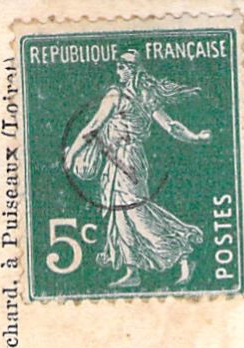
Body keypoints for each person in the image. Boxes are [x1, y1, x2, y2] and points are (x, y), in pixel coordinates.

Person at [62, 50, 211, 288]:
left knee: (136, 212)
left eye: (121, 67)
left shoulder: (122, 96)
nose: (117, 71)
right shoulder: (138, 95)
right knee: (119, 213)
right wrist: (195, 136)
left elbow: (93, 127)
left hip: (128, 158)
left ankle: (182, 249)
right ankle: (132, 271)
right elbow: (171, 127)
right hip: (116, 158)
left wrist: (72, 154)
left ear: (131, 71)